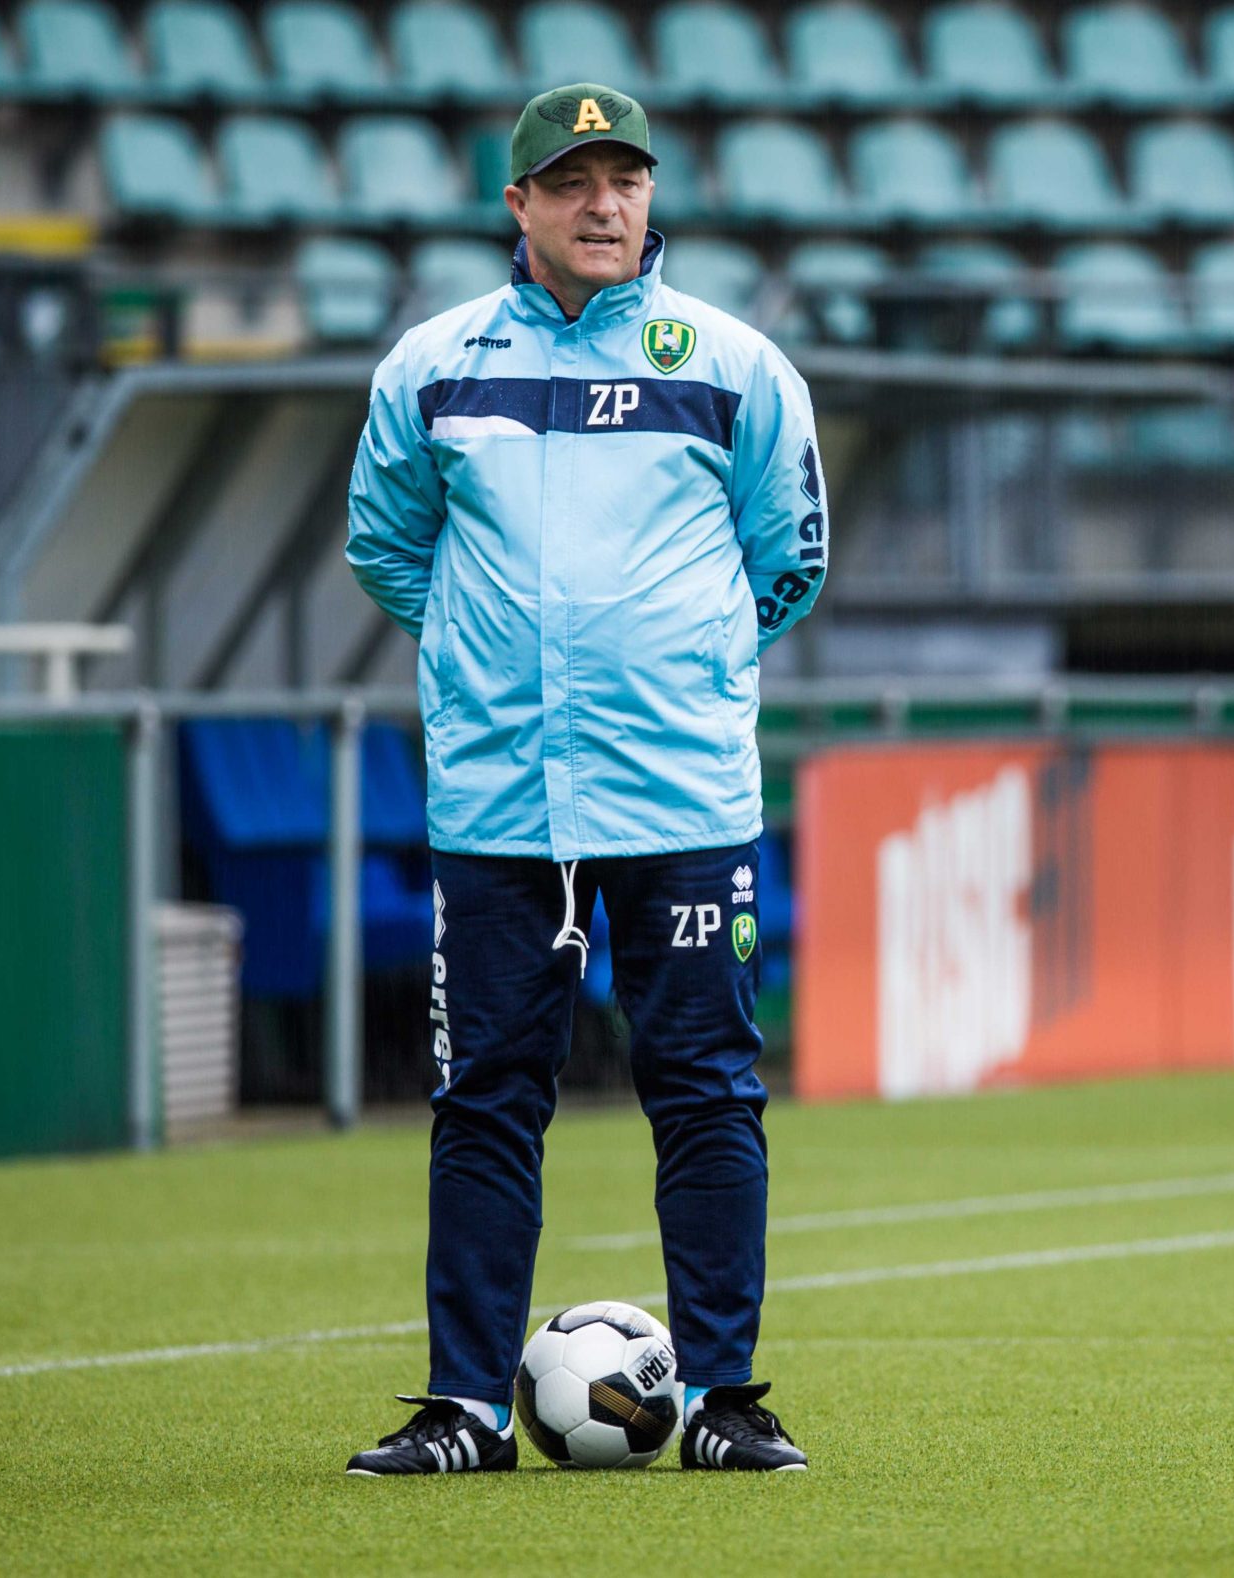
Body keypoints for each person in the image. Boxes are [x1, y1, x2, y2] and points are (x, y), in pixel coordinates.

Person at [341, 81, 826, 1476]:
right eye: (571, 182)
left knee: (708, 1089)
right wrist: (487, 660)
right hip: (499, 804)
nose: (603, 202)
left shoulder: (734, 364)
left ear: (651, 197)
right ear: (520, 206)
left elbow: (786, 557)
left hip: (681, 798)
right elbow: (388, 546)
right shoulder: (430, 366)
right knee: (485, 1096)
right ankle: (465, 1410)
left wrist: (685, 673)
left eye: (624, 178)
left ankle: (728, 1399)